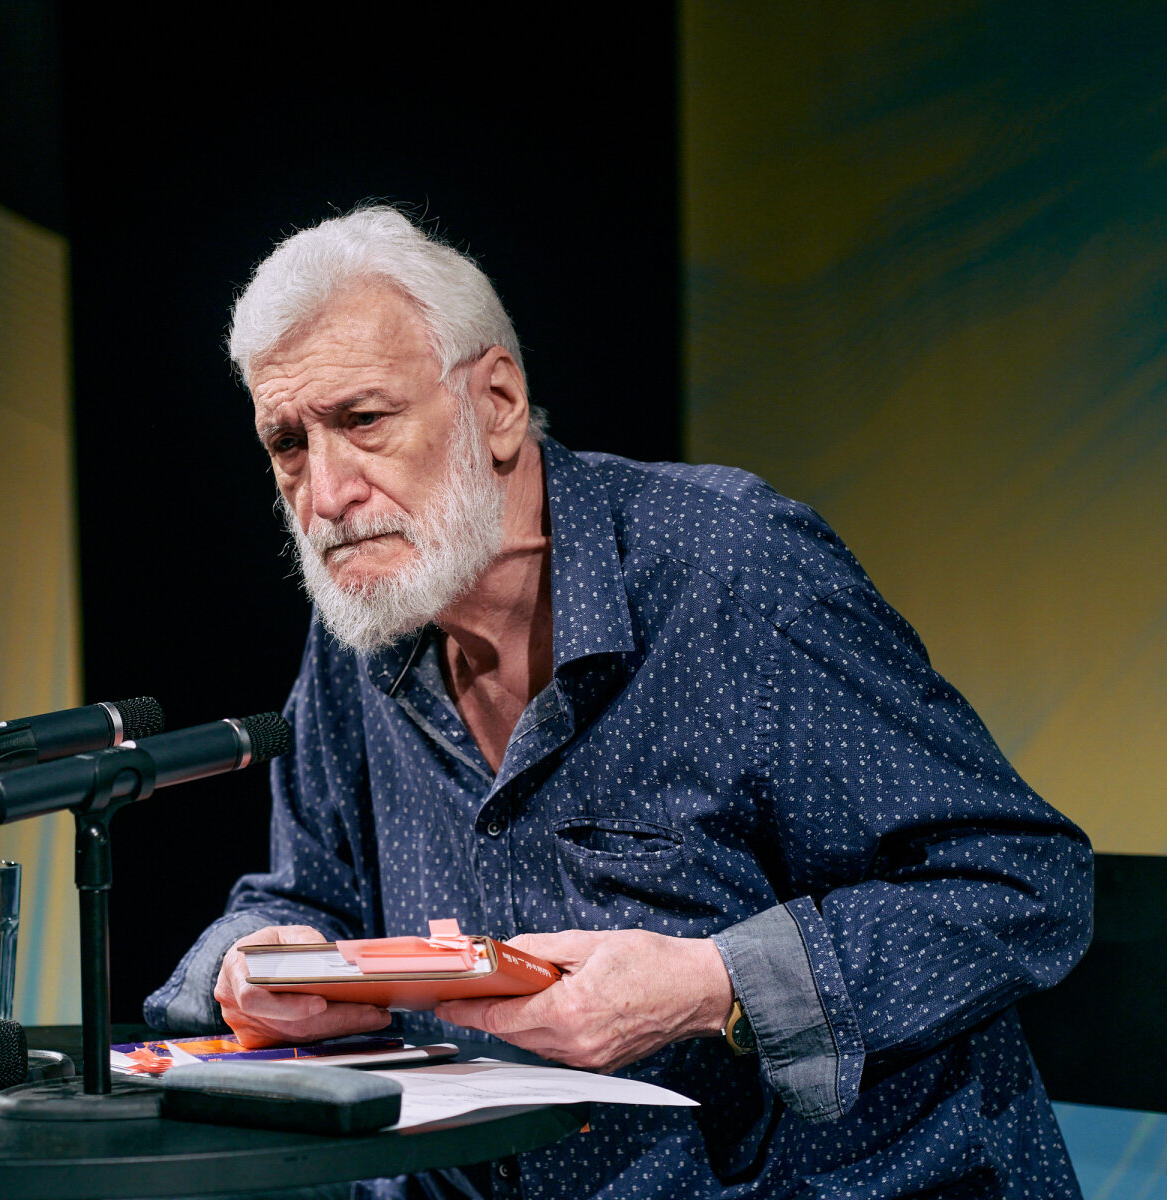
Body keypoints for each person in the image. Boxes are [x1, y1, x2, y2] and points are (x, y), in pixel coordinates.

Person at [144, 207, 1093, 1199]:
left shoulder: (735, 570)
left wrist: (715, 987)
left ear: (497, 403)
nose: (327, 493)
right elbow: (306, 896)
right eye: (288, 442)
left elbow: (1025, 881)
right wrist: (251, 965)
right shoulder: (366, 625)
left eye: (364, 421)